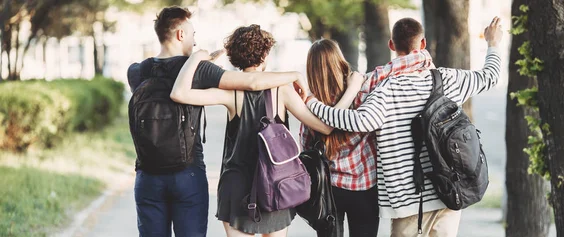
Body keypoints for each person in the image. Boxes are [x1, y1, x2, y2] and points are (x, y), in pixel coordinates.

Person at [305, 17, 503, 237]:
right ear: (423, 43)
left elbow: (358, 122)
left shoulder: (384, 88)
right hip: (449, 192)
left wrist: (314, 105)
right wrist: (492, 43)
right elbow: (490, 76)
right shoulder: (449, 79)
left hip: (407, 201)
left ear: (391, 45)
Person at [128, 7, 309, 237]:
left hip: (148, 175)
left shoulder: (136, 71)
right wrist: (294, 75)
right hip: (187, 174)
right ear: (181, 35)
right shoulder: (201, 70)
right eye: (193, 34)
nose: (195, 41)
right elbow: (252, 81)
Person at [170, 24, 359, 237]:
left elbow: (179, 93)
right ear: (266, 53)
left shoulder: (231, 93)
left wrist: (196, 58)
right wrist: (352, 90)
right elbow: (325, 127)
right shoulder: (282, 90)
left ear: (235, 56)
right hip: (276, 186)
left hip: (237, 188)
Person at [300, 39, 434, 237]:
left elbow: (306, 148)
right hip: (365, 187)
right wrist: (422, 54)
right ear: (340, 61)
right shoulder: (363, 91)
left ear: (311, 70)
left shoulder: (311, 106)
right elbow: (393, 68)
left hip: (328, 191)